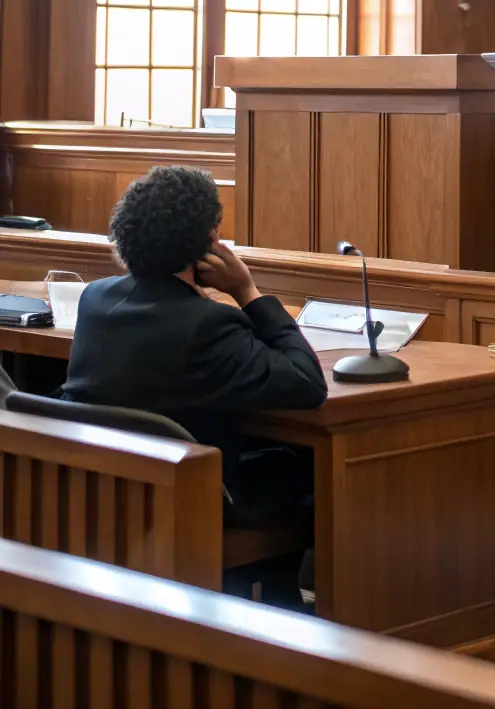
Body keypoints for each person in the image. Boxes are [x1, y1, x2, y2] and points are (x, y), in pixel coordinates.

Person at [62, 164, 327, 607]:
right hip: (189, 501)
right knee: (308, 467)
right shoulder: (207, 323)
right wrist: (247, 290)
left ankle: (269, 597)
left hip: (105, 490)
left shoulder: (95, 298)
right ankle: (290, 612)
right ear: (210, 242)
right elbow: (305, 381)